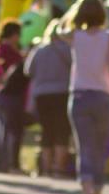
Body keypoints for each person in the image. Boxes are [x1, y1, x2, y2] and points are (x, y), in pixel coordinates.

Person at [64, 0, 109, 194]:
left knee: (84, 148)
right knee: (99, 149)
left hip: (79, 96)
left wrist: (72, 12)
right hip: (103, 97)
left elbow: (57, 29)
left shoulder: (74, 36)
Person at [25, 19, 73, 177]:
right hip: (62, 93)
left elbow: (28, 70)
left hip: (42, 95)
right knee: (62, 130)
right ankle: (59, 168)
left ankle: (45, 167)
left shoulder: (39, 50)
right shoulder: (67, 50)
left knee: (47, 130)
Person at [0, 19, 28, 174]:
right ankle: (10, 163)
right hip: (11, 94)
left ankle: (3, 163)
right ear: (14, 34)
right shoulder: (8, 51)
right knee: (11, 129)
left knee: (3, 129)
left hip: (3, 94)